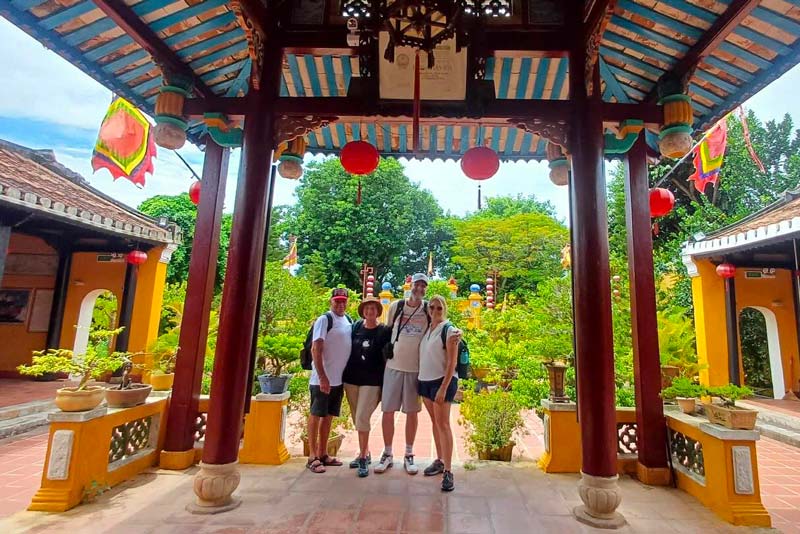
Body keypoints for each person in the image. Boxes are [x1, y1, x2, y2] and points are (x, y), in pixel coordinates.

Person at [375, 272, 430, 475]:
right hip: (393, 366)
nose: (419, 289)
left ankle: (409, 453)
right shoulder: (396, 306)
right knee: (387, 411)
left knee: (412, 413)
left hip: (415, 369)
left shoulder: (427, 310)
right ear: (410, 286)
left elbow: (438, 326)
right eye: (417, 285)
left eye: (423, 286)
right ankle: (388, 453)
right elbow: (386, 332)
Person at [343, 296, 390, 477]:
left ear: (378, 312)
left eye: (373, 309)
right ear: (363, 311)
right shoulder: (355, 328)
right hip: (351, 379)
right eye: (367, 309)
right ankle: (367, 451)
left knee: (363, 416)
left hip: (372, 381)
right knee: (357, 418)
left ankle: (362, 456)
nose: (370, 312)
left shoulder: (383, 331)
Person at [306, 288, 352, 474]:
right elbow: (316, 349)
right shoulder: (325, 319)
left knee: (328, 417)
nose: (340, 305)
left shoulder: (348, 320)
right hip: (321, 380)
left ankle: (324, 453)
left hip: (337, 380)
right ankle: (312, 456)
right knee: (316, 416)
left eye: (343, 301)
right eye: (337, 301)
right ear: (331, 302)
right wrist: (323, 376)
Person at [418, 295, 460, 491]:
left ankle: (448, 471)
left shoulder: (449, 330)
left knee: (443, 424)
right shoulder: (429, 329)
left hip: (441, 383)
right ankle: (440, 460)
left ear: (444, 310)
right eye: (432, 308)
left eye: (439, 308)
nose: (435, 311)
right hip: (425, 382)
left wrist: (443, 387)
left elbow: (452, 362)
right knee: (435, 423)